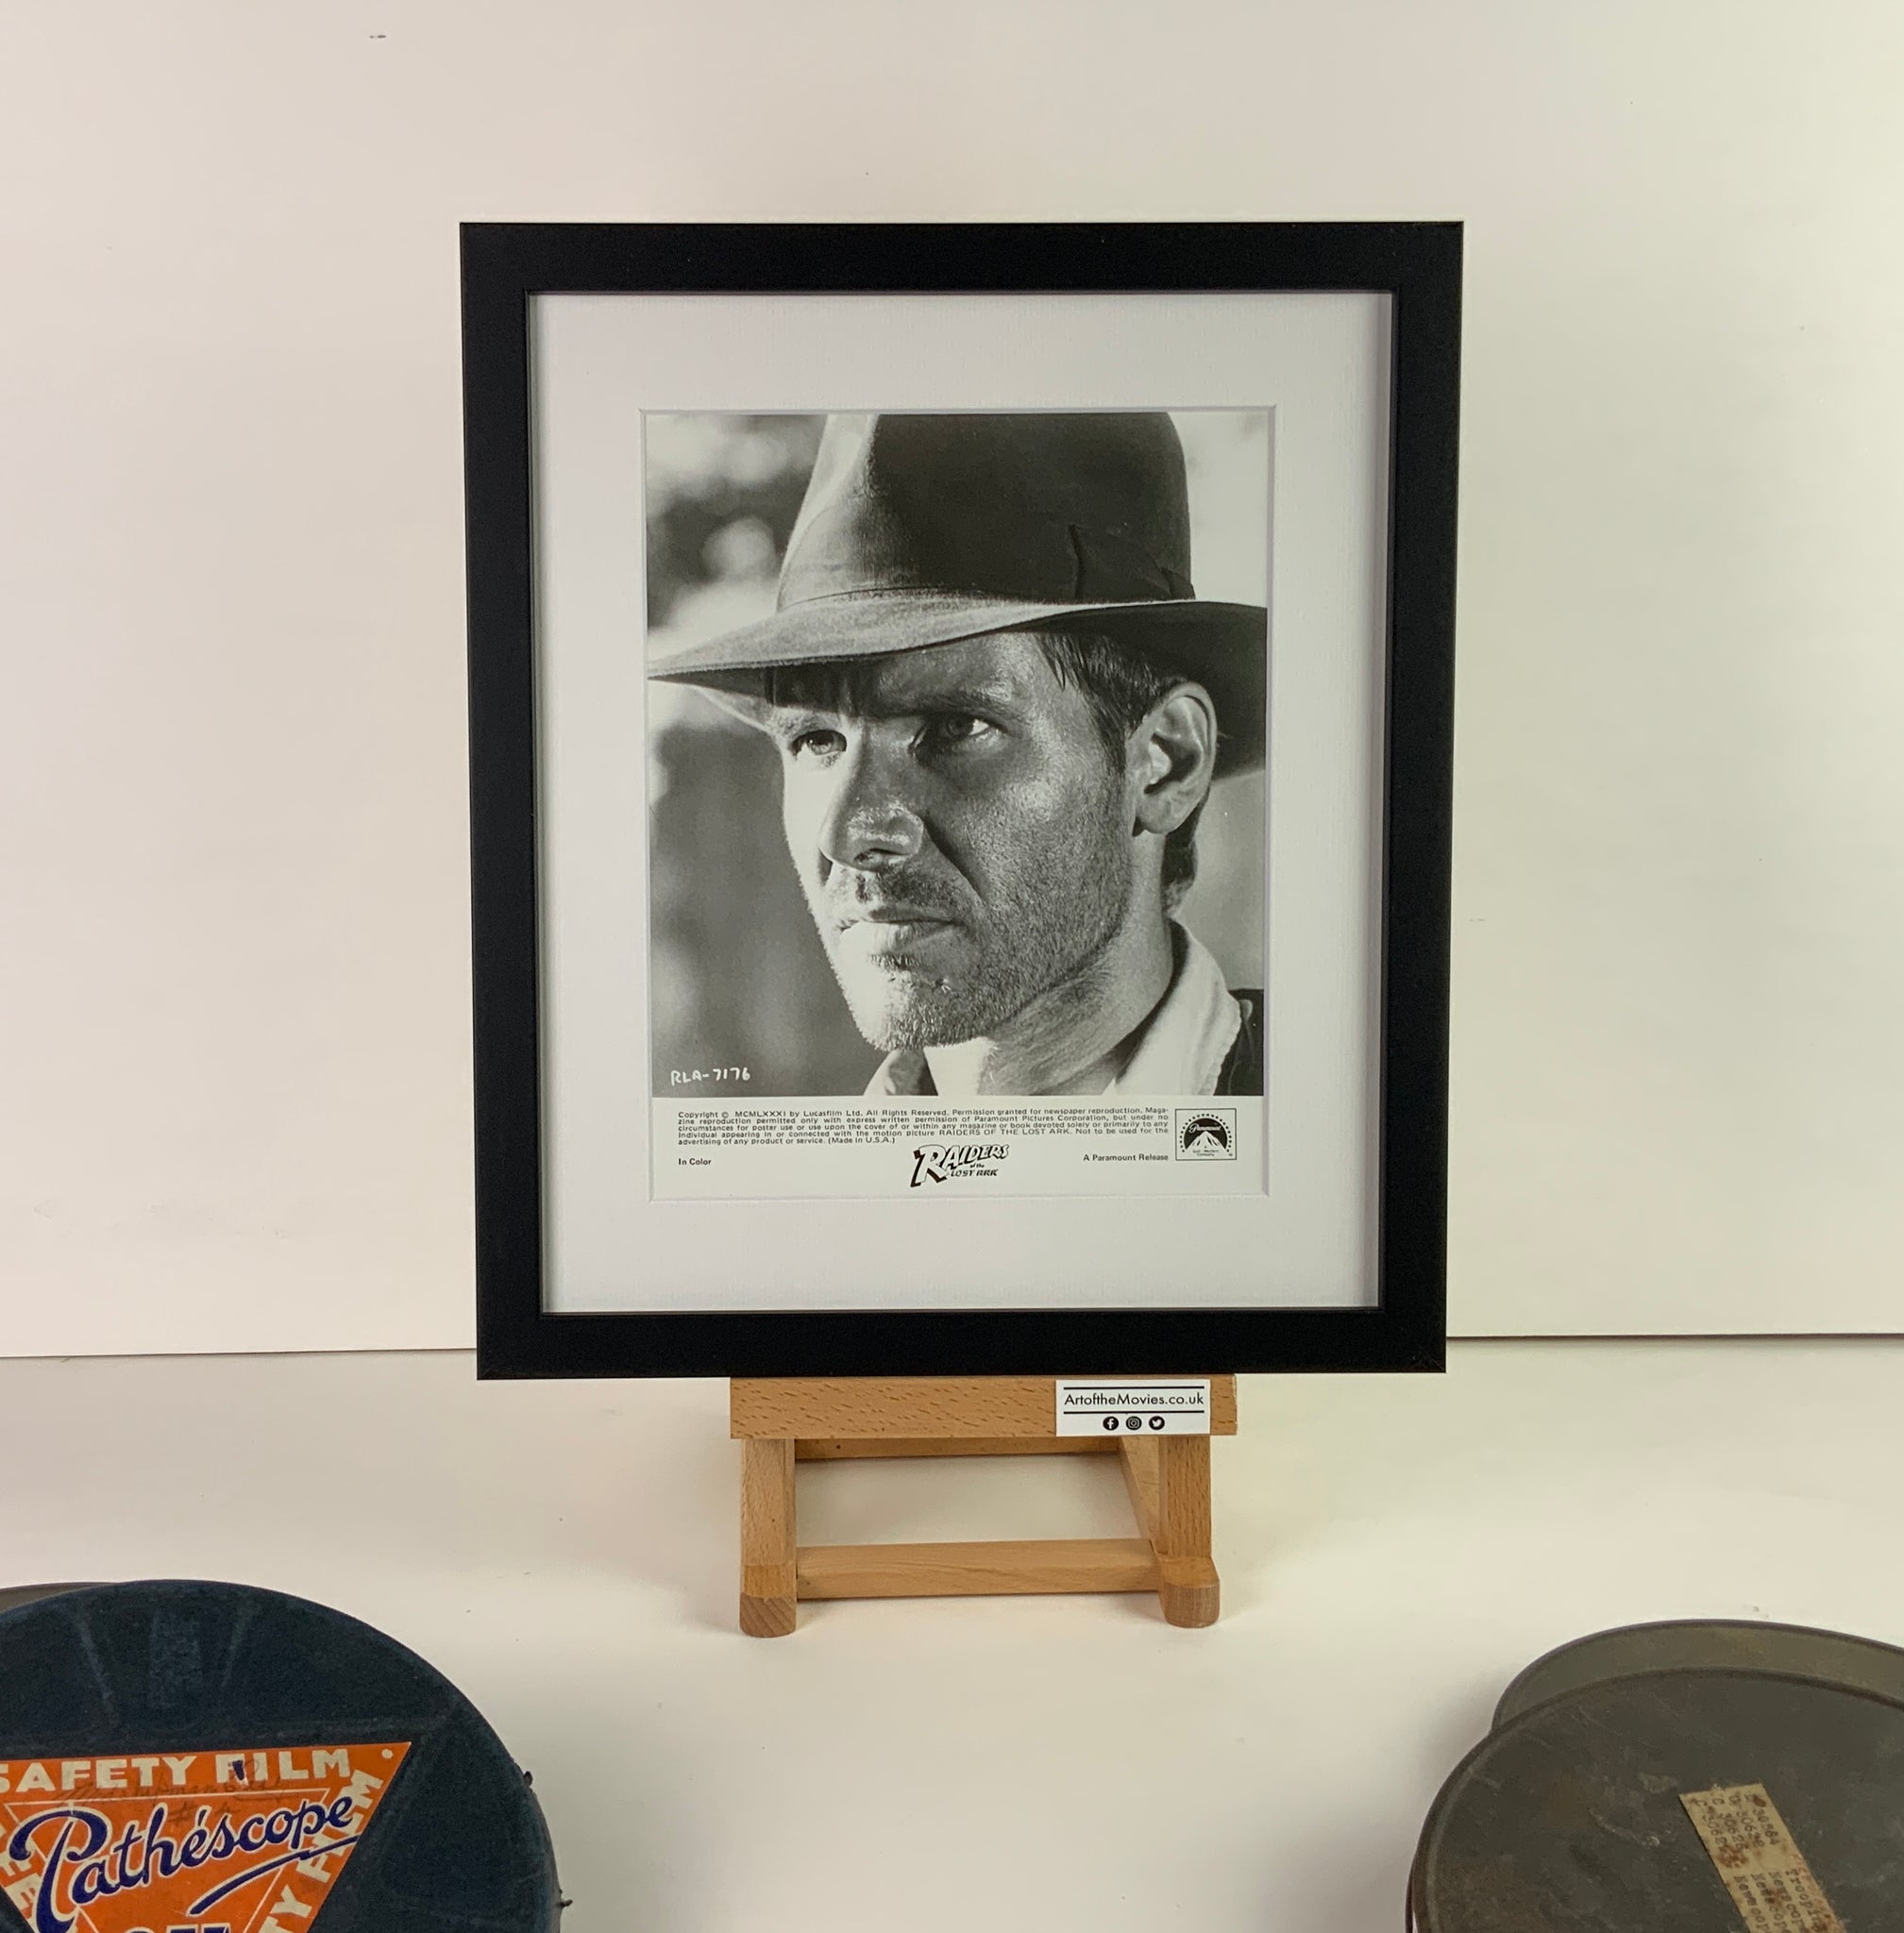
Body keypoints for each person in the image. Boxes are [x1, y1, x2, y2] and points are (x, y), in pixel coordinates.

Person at [649, 412, 1267, 1098]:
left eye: (953, 726)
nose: (848, 834)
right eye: (815, 739)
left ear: (1166, 761)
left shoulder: (1324, 1113)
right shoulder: (797, 1166)